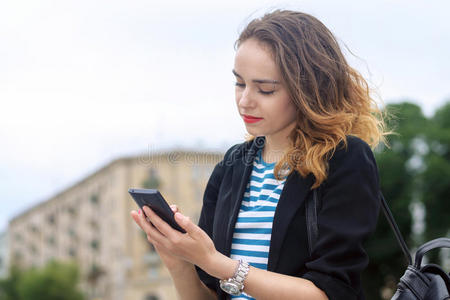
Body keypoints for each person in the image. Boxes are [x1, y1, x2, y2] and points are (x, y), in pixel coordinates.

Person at [131, 9, 388, 300]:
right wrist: (179, 262)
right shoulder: (230, 166)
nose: (244, 101)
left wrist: (215, 262)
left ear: (308, 90)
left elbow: (329, 293)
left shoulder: (345, 158)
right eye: (239, 83)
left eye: (265, 89)